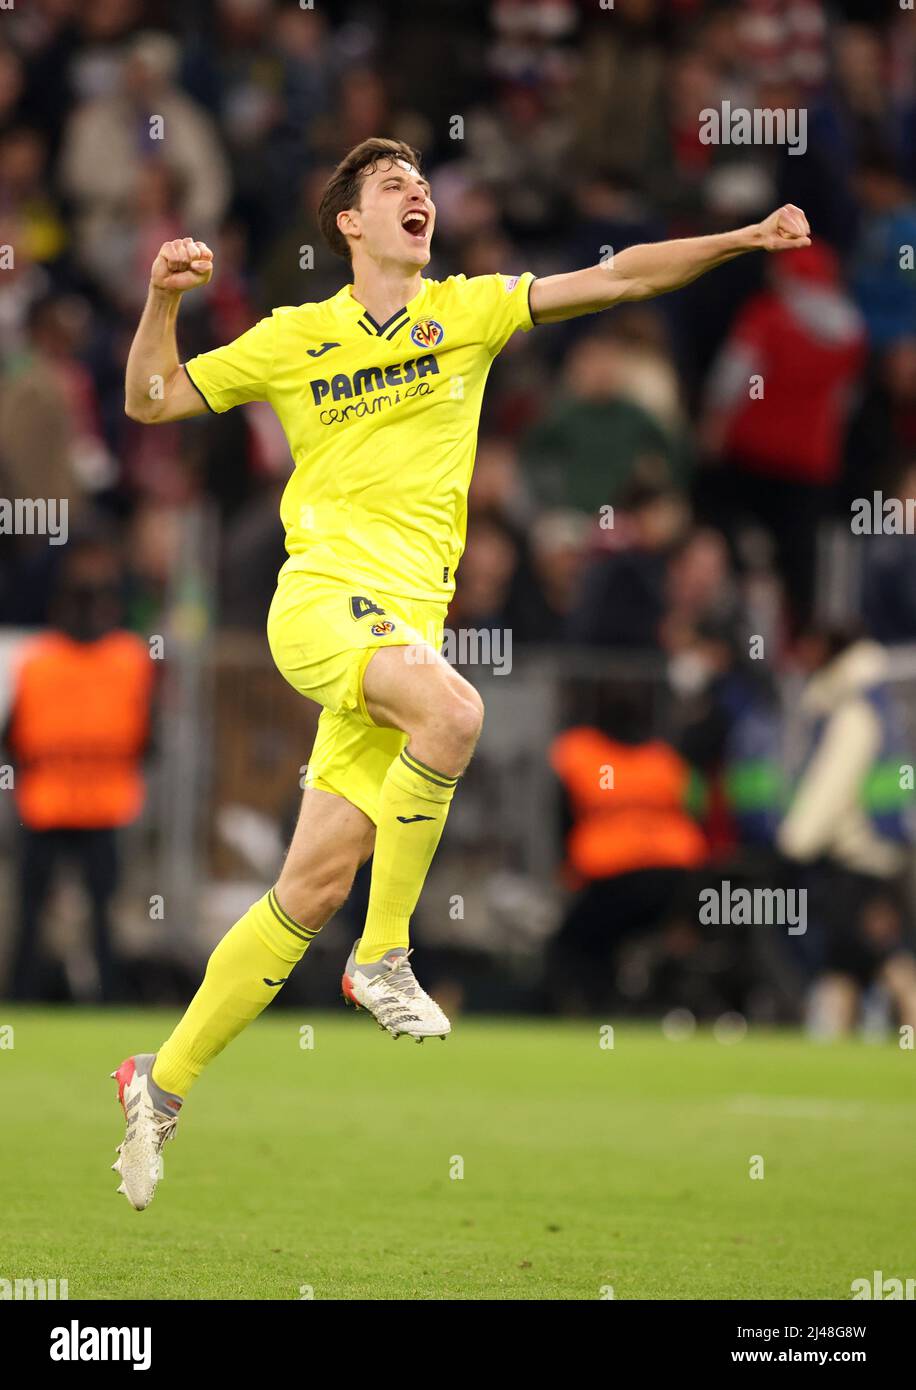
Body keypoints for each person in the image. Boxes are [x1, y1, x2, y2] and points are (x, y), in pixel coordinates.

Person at [115, 134, 810, 1208]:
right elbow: (152, 401)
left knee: (307, 888)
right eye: (394, 185)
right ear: (349, 222)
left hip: (403, 628)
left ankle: (157, 1084)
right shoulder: (297, 336)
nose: (418, 195)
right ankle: (384, 957)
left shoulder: (471, 312)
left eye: (424, 186)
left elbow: (620, 273)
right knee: (455, 711)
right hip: (320, 603)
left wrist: (742, 238)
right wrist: (161, 299)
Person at [4, 537, 152, 1002]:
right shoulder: (121, 659)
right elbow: (150, 740)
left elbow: (11, 737)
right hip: (76, 803)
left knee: (58, 913)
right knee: (77, 913)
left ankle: (28, 997)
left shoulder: (43, 659)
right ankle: (88, 997)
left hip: (68, 803)